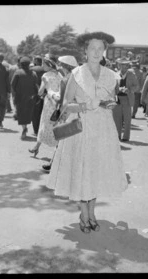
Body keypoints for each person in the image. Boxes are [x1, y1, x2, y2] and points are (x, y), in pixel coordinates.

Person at [46, 31, 128, 233]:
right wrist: (84, 106)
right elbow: (65, 105)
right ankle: (84, 213)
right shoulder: (77, 74)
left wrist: (109, 104)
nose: (96, 52)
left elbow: (112, 100)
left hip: (103, 130)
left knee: (95, 172)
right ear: (85, 50)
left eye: (100, 48)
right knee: (83, 171)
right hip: (82, 129)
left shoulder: (110, 75)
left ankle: (92, 212)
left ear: (104, 51)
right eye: (92, 48)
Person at [42, 55, 79, 172]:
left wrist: (49, 91)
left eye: (61, 64)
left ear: (64, 66)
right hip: (78, 112)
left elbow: (60, 100)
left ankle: (57, 165)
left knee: (63, 140)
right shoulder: (79, 78)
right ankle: (54, 163)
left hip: (67, 113)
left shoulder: (65, 80)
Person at [28, 54, 63, 156]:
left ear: (48, 65)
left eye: (44, 64)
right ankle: (40, 148)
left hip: (49, 103)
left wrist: (39, 89)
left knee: (44, 124)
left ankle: (38, 147)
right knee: (55, 125)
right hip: (58, 103)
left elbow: (40, 92)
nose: (43, 66)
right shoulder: (60, 75)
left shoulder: (46, 76)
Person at [11, 56, 39, 140]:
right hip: (31, 98)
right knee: (28, 113)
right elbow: (36, 86)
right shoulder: (33, 73)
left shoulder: (18, 72)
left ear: (21, 64)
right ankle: (25, 127)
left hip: (20, 98)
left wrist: (15, 93)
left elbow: (12, 85)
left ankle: (24, 128)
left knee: (21, 113)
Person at [112, 57, 139, 141]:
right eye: (122, 65)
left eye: (126, 65)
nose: (124, 66)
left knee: (127, 119)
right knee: (117, 118)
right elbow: (112, 87)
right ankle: (117, 136)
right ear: (119, 65)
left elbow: (137, 86)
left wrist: (129, 90)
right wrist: (117, 89)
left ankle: (126, 137)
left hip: (127, 98)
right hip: (117, 99)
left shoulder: (132, 74)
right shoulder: (116, 74)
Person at [30, 55, 46, 135]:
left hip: (34, 94)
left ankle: (36, 131)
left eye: (34, 60)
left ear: (36, 61)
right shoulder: (45, 69)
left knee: (35, 113)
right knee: (42, 113)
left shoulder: (31, 70)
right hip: (45, 94)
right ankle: (42, 130)